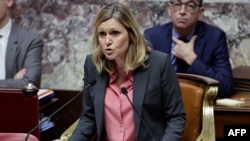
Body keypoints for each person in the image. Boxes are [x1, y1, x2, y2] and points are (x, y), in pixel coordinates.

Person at [69, 3, 186, 141]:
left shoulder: (159, 64)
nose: (107, 41)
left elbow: (176, 118)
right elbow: (89, 117)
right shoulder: (92, 65)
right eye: (102, 34)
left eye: (115, 33)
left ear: (131, 35)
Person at [144, 0, 233, 98]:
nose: (182, 11)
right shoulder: (152, 37)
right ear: (169, 9)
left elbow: (226, 87)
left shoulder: (215, 37)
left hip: (199, 104)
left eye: (190, 6)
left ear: (200, 12)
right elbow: (142, 83)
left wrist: (192, 59)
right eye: (177, 4)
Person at [0, 0, 43, 88]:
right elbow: (20, 84)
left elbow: (29, 84)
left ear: (8, 1)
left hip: (11, 101)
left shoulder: (31, 41)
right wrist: (13, 83)